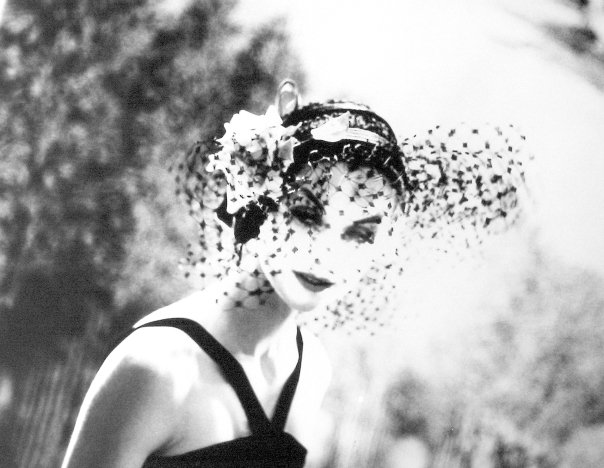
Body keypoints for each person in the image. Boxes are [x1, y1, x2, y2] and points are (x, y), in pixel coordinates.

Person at [61, 80, 528, 468]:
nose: (328, 254)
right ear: (259, 201)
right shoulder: (156, 369)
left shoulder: (311, 369)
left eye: (360, 233)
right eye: (307, 215)